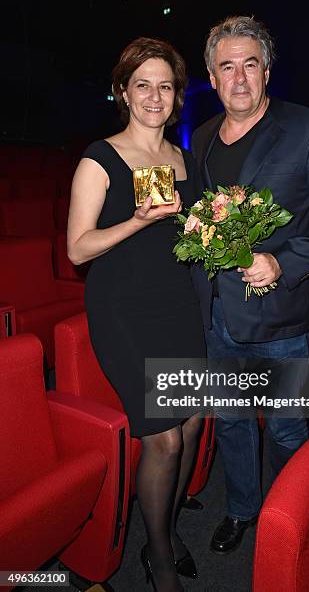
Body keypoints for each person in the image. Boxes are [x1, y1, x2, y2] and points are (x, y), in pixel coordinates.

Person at [191, 15, 309, 555]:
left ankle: (297, 520)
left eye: (250, 65)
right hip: (217, 314)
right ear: (212, 77)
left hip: (281, 315)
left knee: (288, 428)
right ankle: (242, 510)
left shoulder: (308, 128)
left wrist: (283, 263)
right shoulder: (199, 138)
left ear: (267, 71)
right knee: (233, 422)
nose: (238, 78)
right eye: (227, 67)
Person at [67, 37, 206, 592]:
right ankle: (159, 556)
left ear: (177, 98)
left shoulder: (184, 159)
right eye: (142, 84)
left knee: (193, 423)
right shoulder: (99, 157)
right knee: (165, 439)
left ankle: (165, 529)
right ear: (122, 92)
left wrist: (219, 236)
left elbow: (188, 236)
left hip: (178, 302)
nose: (154, 95)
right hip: (123, 308)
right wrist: (139, 221)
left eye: (165, 86)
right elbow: (78, 249)